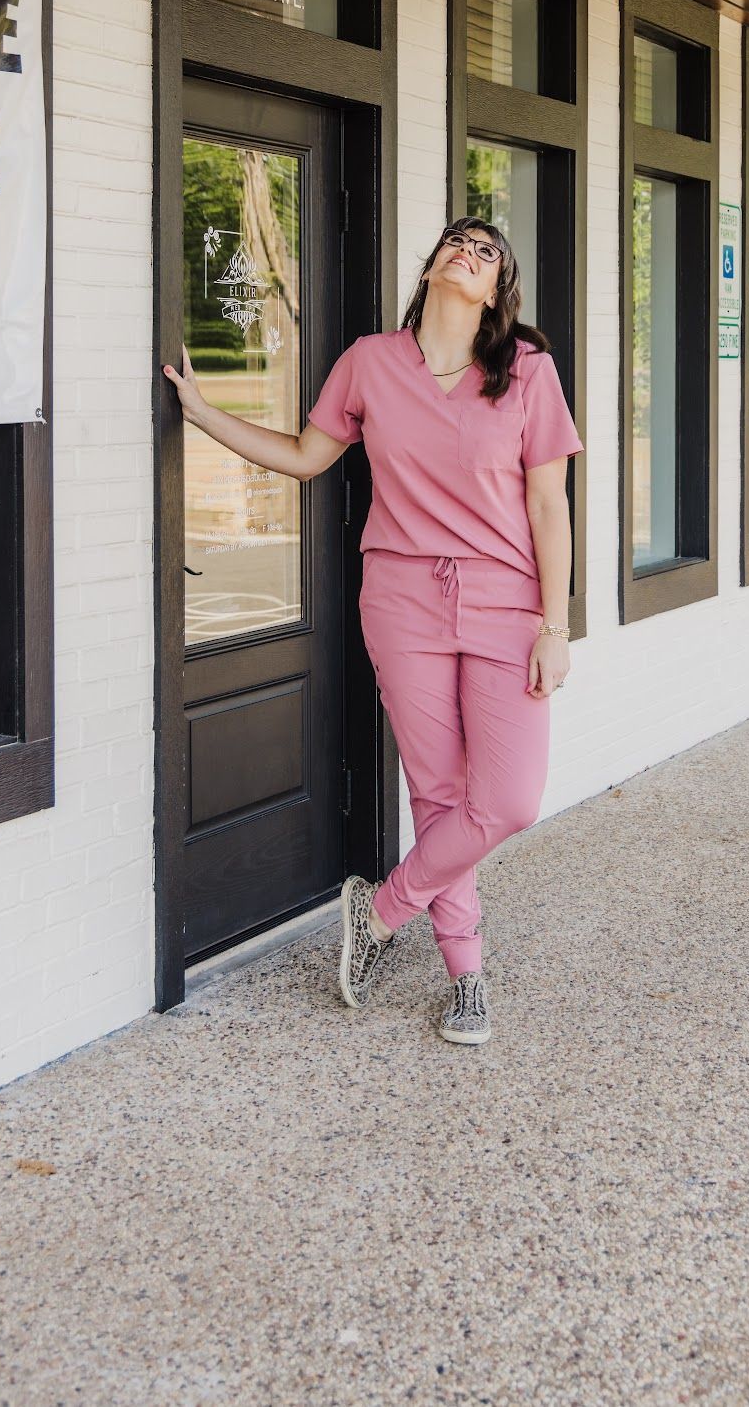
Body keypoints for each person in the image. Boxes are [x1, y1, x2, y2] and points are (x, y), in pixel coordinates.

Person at [163, 216, 582, 1047]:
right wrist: (206, 414)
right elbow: (307, 455)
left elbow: (548, 505)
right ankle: (467, 975)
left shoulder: (527, 373)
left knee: (507, 798)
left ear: (497, 291)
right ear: (432, 265)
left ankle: (382, 907)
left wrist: (556, 623)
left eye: (488, 250)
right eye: (459, 241)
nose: (469, 250)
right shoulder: (369, 362)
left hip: (505, 604)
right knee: (436, 793)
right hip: (402, 601)